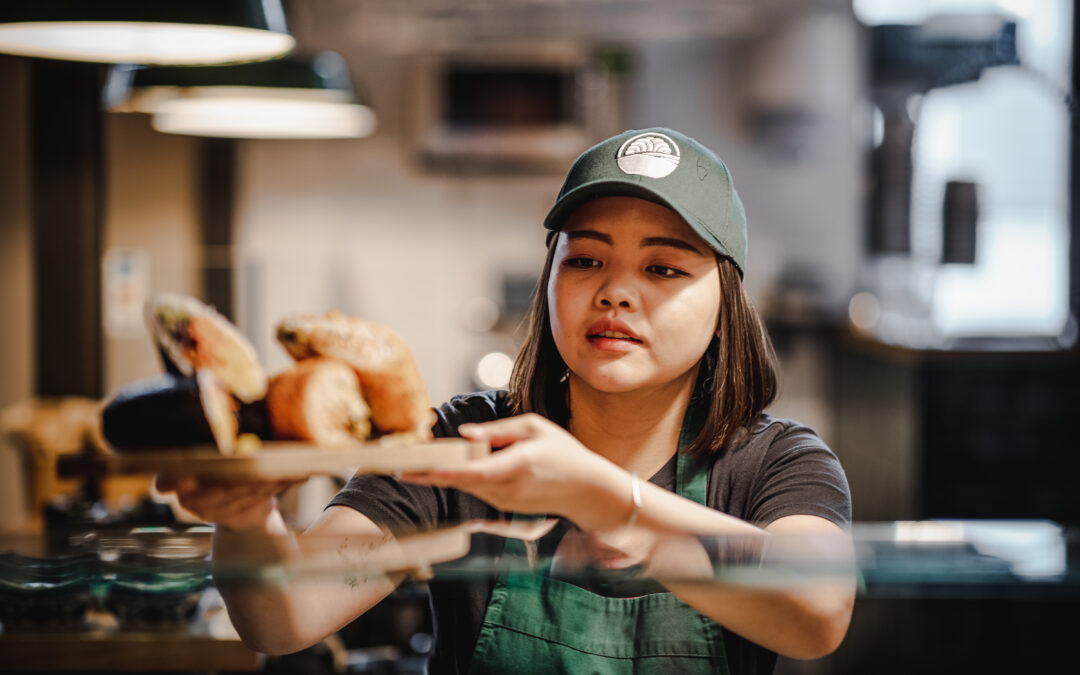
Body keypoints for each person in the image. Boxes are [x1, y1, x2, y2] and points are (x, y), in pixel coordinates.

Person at [161, 127, 855, 675]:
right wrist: (249, 519)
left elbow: (817, 614)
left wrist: (603, 497)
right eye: (585, 259)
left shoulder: (775, 461)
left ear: (724, 303)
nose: (615, 290)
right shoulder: (464, 444)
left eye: (663, 267)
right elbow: (284, 618)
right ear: (549, 277)